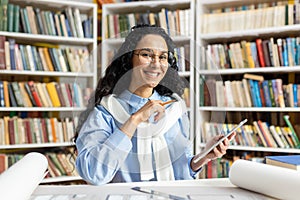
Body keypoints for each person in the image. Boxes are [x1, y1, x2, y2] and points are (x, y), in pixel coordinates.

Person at [74, 24, 234, 185]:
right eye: (146, 55)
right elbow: (93, 174)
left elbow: (181, 171)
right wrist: (135, 120)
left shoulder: (174, 108)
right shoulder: (106, 111)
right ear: (129, 58)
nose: (156, 64)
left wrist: (203, 157)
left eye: (163, 57)